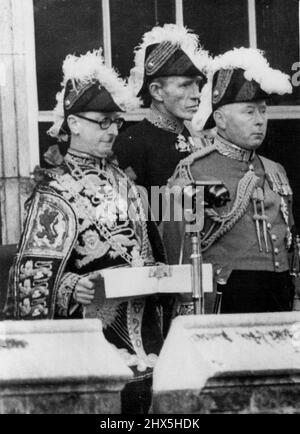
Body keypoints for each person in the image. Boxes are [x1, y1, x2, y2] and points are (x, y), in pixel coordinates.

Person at [4, 49, 167, 414]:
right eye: (102, 121)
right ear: (74, 123)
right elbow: (29, 283)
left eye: (116, 122)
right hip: (92, 348)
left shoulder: (126, 185)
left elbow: (146, 250)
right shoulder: (54, 193)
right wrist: (69, 287)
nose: (112, 130)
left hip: (148, 343)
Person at [163, 47, 298, 314]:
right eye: (249, 112)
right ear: (221, 119)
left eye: (263, 111)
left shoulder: (275, 170)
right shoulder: (192, 171)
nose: (260, 121)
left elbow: (292, 241)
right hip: (229, 297)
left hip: (279, 292)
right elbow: (175, 251)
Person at [113, 24, 209, 214]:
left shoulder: (199, 139)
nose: (196, 94)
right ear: (157, 91)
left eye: (197, 84)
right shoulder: (130, 143)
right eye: (185, 85)